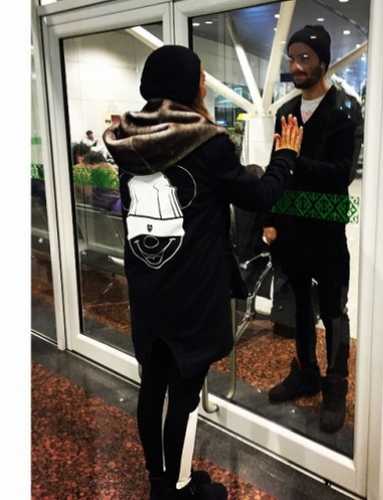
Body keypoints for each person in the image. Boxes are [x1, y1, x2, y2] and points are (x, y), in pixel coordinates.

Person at [103, 45, 302, 500]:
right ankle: (178, 490)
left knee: (152, 387)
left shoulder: (127, 142)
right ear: (187, 86)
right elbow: (259, 195)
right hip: (191, 294)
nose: (205, 87)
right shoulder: (208, 143)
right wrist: (286, 156)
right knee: (184, 395)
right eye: (201, 79)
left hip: (147, 288)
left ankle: (161, 483)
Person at [263, 25, 360, 434]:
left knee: (334, 309)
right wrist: (269, 218)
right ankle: (305, 372)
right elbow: (276, 167)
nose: (296, 65)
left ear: (323, 61)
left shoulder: (345, 110)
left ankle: (335, 386)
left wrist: (294, 158)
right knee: (299, 305)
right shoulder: (286, 110)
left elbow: (341, 174)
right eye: (292, 57)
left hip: (328, 230)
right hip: (291, 229)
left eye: (305, 57)